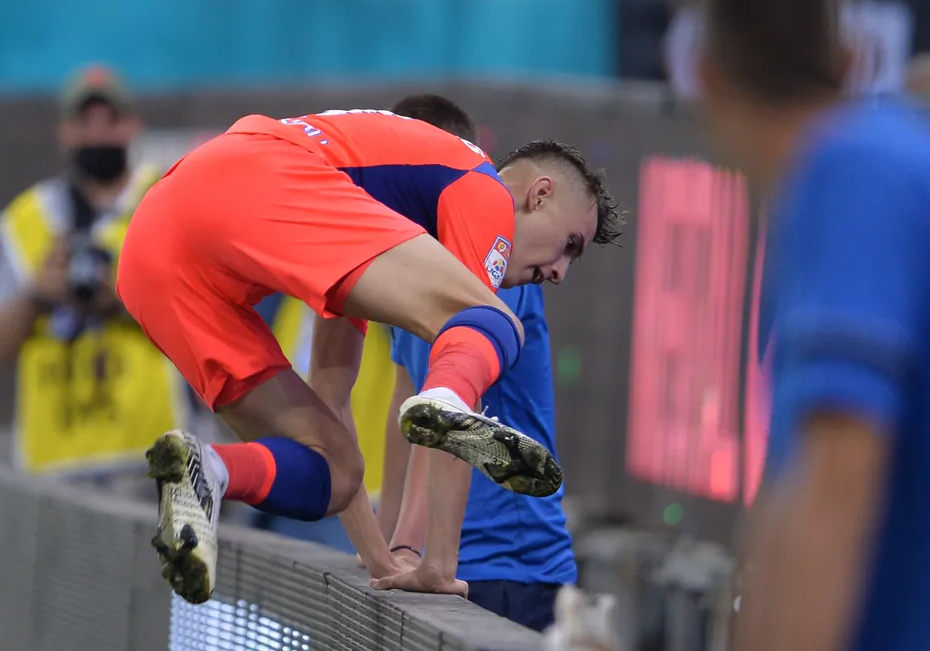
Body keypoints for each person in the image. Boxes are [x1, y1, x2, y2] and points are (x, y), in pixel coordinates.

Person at [116, 108, 621, 603]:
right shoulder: (481, 183)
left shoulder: (355, 228)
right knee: (498, 323)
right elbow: (470, 331)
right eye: (569, 245)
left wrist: (383, 562)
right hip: (256, 172)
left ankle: (207, 470)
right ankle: (446, 399)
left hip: (152, 249)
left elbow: (332, 396)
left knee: (336, 468)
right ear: (539, 194)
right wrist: (439, 567)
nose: (560, 273)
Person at [696, 0, 930, 650]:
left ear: (702, 73)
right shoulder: (864, 173)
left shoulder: (852, 174)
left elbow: (834, 489)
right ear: (855, 57)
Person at [371, 95, 582, 624]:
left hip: (508, 571)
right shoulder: (406, 267)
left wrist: (407, 547)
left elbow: (450, 416)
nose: (558, 273)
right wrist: (383, 544)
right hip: (450, 566)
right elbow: (405, 406)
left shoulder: (497, 268)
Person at [0, 65, 187, 486]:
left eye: (111, 120)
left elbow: (204, 316)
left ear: (133, 126)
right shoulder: (29, 219)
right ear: (63, 131)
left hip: (152, 458)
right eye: (84, 122)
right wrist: (37, 295)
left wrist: (123, 299)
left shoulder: (168, 199)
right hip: (54, 465)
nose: (98, 134)